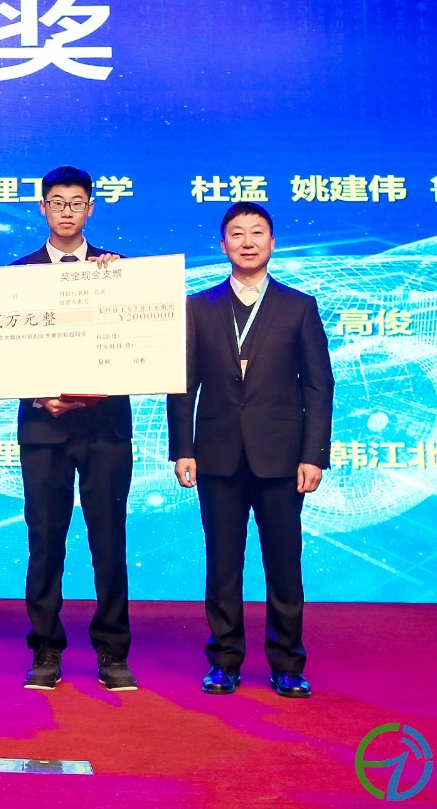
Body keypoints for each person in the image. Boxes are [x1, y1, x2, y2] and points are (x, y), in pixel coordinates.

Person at [168, 202, 334, 699]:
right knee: (222, 564)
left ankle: (288, 665)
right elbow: (183, 384)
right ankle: (224, 662)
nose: (247, 242)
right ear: (222, 245)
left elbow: (318, 385)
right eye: (237, 234)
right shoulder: (199, 307)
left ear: (272, 243)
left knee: (284, 564)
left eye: (257, 232)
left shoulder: (298, 307)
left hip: (282, 458)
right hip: (216, 455)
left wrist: (314, 454)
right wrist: (182, 448)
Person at [10, 166, 137, 692]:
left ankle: (112, 652)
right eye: (57, 202)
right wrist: (38, 394)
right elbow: (1, 355)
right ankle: (45, 649)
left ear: (91, 209)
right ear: (43, 208)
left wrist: (122, 287)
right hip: (45, 428)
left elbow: (139, 342)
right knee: (45, 541)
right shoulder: (16, 276)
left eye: (77, 202)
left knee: (109, 540)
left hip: (105, 428)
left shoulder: (118, 270)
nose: (67, 210)